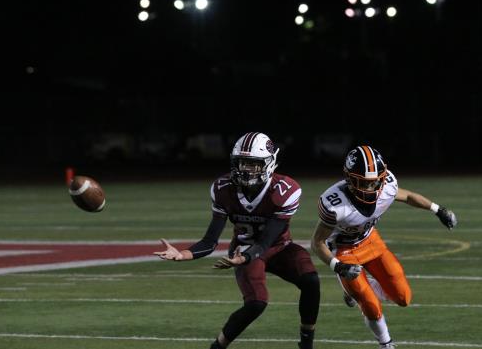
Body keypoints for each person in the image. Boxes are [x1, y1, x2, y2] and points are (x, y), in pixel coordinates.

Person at [155, 132, 320, 349]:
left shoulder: (284, 190)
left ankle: (306, 343)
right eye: (242, 163)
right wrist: (183, 254)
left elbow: (266, 241)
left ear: (269, 163)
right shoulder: (224, 189)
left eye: (253, 164)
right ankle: (218, 346)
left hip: (279, 248)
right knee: (256, 303)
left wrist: (245, 258)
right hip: (243, 248)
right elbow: (210, 241)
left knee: (311, 281)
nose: (246, 169)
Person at [311, 145, 457, 349]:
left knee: (403, 297)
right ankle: (386, 343)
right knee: (370, 304)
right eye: (364, 183)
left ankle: (352, 292)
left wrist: (438, 210)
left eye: (375, 182)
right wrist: (338, 266)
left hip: (370, 241)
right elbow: (317, 242)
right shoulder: (335, 204)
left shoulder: (386, 186)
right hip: (343, 250)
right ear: (350, 180)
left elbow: (408, 196)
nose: (371, 188)